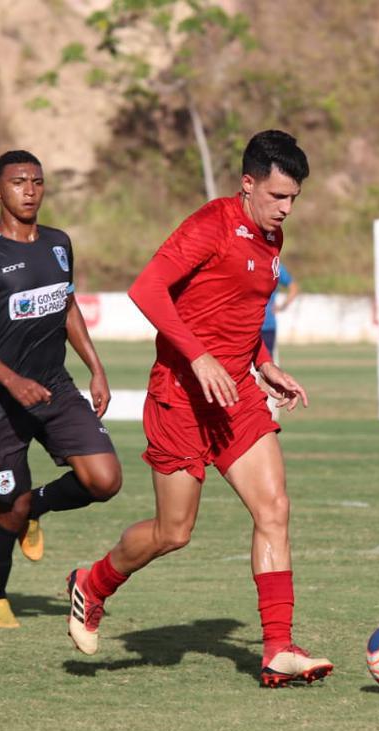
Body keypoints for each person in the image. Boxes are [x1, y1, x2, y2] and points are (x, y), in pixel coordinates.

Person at [65, 130, 333, 687]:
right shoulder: (211, 224)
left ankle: (278, 648)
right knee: (174, 532)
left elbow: (232, 313)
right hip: (180, 397)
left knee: (274, 509)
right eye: (277, 196)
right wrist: (199, 357)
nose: (286, 208)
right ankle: (93, 583)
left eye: (293, 199)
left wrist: (263, 364)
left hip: (235, 395)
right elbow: (147, 289)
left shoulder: (271, 238)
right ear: (248, 184)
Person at [0, 150, 122, 629]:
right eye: (18, 182)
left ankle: (37, 508)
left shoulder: (58, 243)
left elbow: (67, 307)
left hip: (55, 388)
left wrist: (96, 368)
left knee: (105, 480)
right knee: (11, 506)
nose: (29, 190)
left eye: (37, 182)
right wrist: (13, 381)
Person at [261, 261, 299, 362]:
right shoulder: (247, 261)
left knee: (266, 364)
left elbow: (293, 288)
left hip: (267, 325)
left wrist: (282, 307)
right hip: (248, 324)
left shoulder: (276, 267)